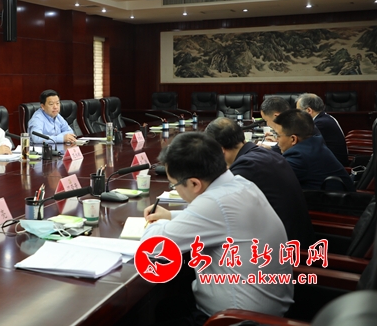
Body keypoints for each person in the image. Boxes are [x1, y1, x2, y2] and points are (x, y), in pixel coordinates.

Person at [143, 133, 293, 324]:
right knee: (168, 306)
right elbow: (223, 222)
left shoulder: (214, 203)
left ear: (194, 183)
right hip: (268, 312)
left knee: (160, 312)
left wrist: (155, 223)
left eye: (174, 184)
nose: (175, 188)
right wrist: (171, 217)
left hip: (236, 320)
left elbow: (154, 246)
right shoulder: (241, 183)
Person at [205, 117, 315, 247]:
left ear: (219, 150)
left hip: (285, 249)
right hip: (295, 237)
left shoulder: (247, 167)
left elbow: (216, 208)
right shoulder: (262, 154)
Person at [273, 109, 354, 191]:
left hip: (335, 199)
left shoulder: (299, 156)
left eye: (278, 135)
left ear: (293, 139)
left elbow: (272, 179)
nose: (276, 140)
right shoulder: (313, 143)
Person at [296, 93, 349, 166]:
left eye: (298, 111)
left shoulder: (320, 124)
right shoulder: (325, 117)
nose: (297, 115)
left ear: (308, 110)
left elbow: (300, 144)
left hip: (334, 166)